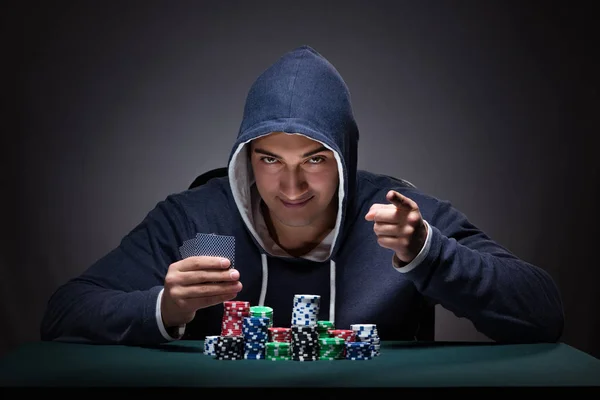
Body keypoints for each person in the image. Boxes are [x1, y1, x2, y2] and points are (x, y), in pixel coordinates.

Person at [40, 45, 564, 346]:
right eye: (270, 159)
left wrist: (430, 253)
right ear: (245, 157)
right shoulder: (197, 218)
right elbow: (62, 315)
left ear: (345, 159)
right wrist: (164, 306)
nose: (291, 187)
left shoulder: (399, 216)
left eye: (315, 159)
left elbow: (543, 314)